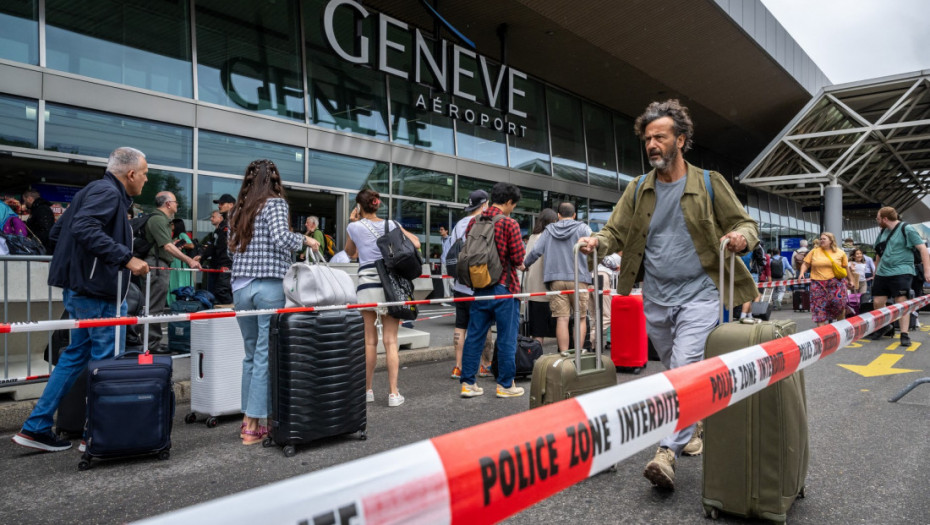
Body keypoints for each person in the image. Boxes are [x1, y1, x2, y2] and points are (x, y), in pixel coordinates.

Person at [578, 99, 759, 490]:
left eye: (660, 137)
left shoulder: (709, 182)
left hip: (701, 293)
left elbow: (744, 220)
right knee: (672, 369)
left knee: (684, 365)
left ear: (681, 139)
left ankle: (666, 452)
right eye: (647, 139)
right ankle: (692, 426)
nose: (652, 145)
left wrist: (742, 237)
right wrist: (597, 241)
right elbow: (616, 232)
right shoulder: (638, 189)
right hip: (656, 296)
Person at [11, 147, 150, 452]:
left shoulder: (93, 190)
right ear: (130, 174)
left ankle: (36, 427)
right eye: (144, 173)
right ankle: (98, 433)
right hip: (98, 292)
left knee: (75, 356)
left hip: (83, 289)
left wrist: (80, 271)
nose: (145, 180)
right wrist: (125, 258)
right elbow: (83, 228)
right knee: (105, 363)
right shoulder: (108, 193)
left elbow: (61, 232)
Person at [228, 159, 320, 445]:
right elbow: (282, 238)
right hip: (269, 286)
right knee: (266, 355)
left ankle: (247, 421)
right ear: (274, 179)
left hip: (240, 286)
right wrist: (306, 241)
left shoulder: (239, 210)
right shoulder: (275, 204)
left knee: (250, 354)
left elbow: (232, 249)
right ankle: (255, 424)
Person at [346, 189, 421, 407]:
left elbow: (350, 253)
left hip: (367, 285)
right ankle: (393, 394)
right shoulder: (392, 224)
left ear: (359, 207)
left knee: (369, 341)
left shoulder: (354, 226)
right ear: (377, 205)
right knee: (391, 341)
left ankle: (367, 390)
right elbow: (415, 243)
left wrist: (353, 220)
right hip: (391, 286)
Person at [459, 182, 526, 399]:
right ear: (508, 202)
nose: (513, 208)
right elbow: (518, 259)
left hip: (480, 287)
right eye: (513, 204)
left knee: (475, 336)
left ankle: (468, 384)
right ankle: (505, 385)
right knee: (506, 337)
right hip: (505, 288)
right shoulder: (509, 224)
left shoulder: (474, 222)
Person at [523, 202, 593, 352]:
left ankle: (564, 355)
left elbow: (536, 251)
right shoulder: (583, 228)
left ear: (559, 215)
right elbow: (594, 248)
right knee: (580, 318)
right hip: (578, 279)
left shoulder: (549, 230)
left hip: (556, 281)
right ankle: (578, 355)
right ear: (574, 215)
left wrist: (525, 264)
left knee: (562, 318)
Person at [142, 191, 201, 352]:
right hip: (156, 266)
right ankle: (151, 345)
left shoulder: (161, 220)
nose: (177, 205)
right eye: (175, 202)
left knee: (155, 304)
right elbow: (167, 246)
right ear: (167, 204)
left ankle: (151, 341)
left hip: (158, 265)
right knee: (154, 306)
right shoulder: (158, 220)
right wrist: (188, 260)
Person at [448, 190, 495, 379]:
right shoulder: (485, 223)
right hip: (479, 282)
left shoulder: (459, 225)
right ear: (484, 205)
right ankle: (485, 365)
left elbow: (448, 253)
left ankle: (458, 366)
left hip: (460, 284)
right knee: (484, 324)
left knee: (461, 325)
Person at [867, 207, 930, 347]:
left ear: (884, 219)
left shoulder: (906, 229)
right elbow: (879, 253)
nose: (877, 221)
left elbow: (922, 249)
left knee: (901, 301)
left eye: (878, 218)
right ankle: (885, 326)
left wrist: (927, 271)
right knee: (878, 301)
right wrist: (876, 273)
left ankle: (904, 333)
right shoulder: (883, 232)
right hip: (883, 272)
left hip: (902, 271)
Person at [799, 232, 854, 327]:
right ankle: (823, 334)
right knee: (819, 309)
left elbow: (845, 267)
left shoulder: (840, 252)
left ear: (831, 241)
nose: (821, 240)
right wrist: (802, 273)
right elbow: (806, 263)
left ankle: (840, 327)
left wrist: (851, 280)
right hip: (818, 284)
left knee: (839, 306)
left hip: (836, 284)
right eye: (820, 239)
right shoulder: (814, 251)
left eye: (824, 239)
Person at [523, 208, 559, 346]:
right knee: (557, 325)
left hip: (532, 289)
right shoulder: (548, 237)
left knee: (537, 330)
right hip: (546, 288)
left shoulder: (532, 237)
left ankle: (534, 358)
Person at [195, 198, 234, 304]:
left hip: (230, 264)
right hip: (219, 264)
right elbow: (212, 245)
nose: (219, 206)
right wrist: (201, 257)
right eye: (218, 204)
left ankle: (234, 313)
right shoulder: (221, 227)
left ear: (231, 205)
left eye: (222, 203)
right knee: (218, 292)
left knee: (222, 290)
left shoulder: (237, 223)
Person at [167, 218, 194, 305]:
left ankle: (181, 301)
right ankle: (173, 302)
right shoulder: (173, 236)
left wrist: (180, 244)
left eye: (172, 224)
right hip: (173, 262)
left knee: (180, 281)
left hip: (180, 262)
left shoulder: (182, 235)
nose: (171, 226)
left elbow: (191, 245)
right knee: (173, 282)